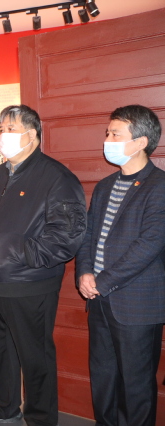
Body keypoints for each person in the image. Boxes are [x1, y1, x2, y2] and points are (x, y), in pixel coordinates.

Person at [0, 105, 86, 426]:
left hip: (28, 285)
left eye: (11, 129)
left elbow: (67, 235)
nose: (3, 135)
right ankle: (4, 406)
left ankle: (40, 418)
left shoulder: (56, 177)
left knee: (35, 358)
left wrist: (20, 255)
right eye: (1, 129)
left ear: (32, 135)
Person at [75, 105, 165, 426]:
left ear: (140, 142)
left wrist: (103, 281)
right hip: (100, 301)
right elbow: (88, 236)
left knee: (136, 386)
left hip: (136, 305)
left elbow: (149, 245)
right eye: (108, 133)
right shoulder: (104, 186)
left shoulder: (159, 186)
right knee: (103, 379)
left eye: (115, 134)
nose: (107, 139)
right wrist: (85, 272)